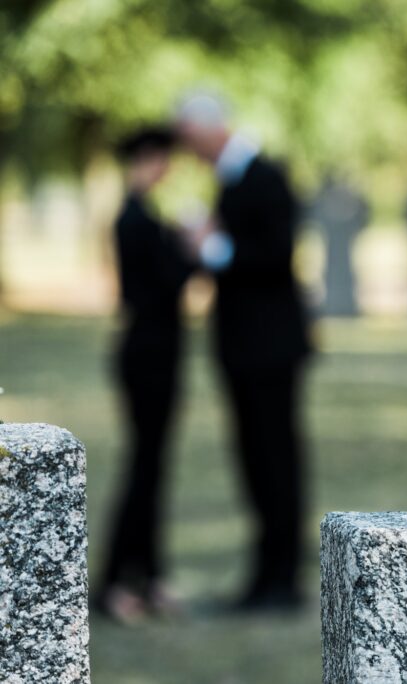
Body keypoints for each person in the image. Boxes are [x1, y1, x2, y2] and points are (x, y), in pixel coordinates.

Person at [175, 94, 311, 611]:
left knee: (275, 459)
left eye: (190, 139)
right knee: (254, 459)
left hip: (269, 348)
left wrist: (211, 247)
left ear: (212, 130)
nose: (189, 151)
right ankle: (265, 574)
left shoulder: (263, 175)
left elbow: (275, 255)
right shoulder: (234, 178)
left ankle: (282, 578)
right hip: (245, 347)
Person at [99, 127, 193, 623]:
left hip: (162, 351)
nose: (165, 169)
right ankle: (115, 582)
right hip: (147, 353)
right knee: (142, 466)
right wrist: (191, 250)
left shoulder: (147, 215)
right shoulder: (134, 219)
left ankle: (150, 575)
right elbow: (160, 286)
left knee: (155, 466)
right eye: (160, 159)